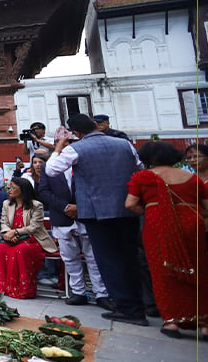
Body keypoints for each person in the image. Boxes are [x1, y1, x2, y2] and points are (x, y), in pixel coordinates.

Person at [47, 113, 146, 326]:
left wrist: (57, 149)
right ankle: (137, 306)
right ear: (94, 125)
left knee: (108, 260)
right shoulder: (124, 144)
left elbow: (51, 169)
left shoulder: (76, 148)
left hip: (96, 212)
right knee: (129, 257)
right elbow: (140, 169)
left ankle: (125, 308)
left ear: (76, 133)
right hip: (126, 209)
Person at [125, 142, 208, 340]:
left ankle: (172, 322)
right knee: (198, 269)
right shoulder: (192, 178)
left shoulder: (143, 177)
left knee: (164, 271)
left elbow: (130, 204)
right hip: (191, 223)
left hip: (158, 224)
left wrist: (152, 209)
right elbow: (206, 207)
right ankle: (204, 324)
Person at [36, 156, 110, 308]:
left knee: (93, 258)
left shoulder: (87, 163)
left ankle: (101, 294)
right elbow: (43, 191)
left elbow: (97, 187)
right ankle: (78, 292)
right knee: (70, 258)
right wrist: (65, 207)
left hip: (86, 216)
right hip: (62, 217)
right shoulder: (48, 167)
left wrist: (80, 208)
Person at [0, 177, 56, 299]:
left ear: (22, 190)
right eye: (9, 187)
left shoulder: (36, 205)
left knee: (21, 250)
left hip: (32, 238)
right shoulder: (7, 203)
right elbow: (3, 221)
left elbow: (34, 227)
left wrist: (15, 232)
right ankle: (4, 287)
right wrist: (8, 233)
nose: (9, 190)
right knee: (0, 247)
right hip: (11, 237)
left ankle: (24, 289)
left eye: (13, 188)